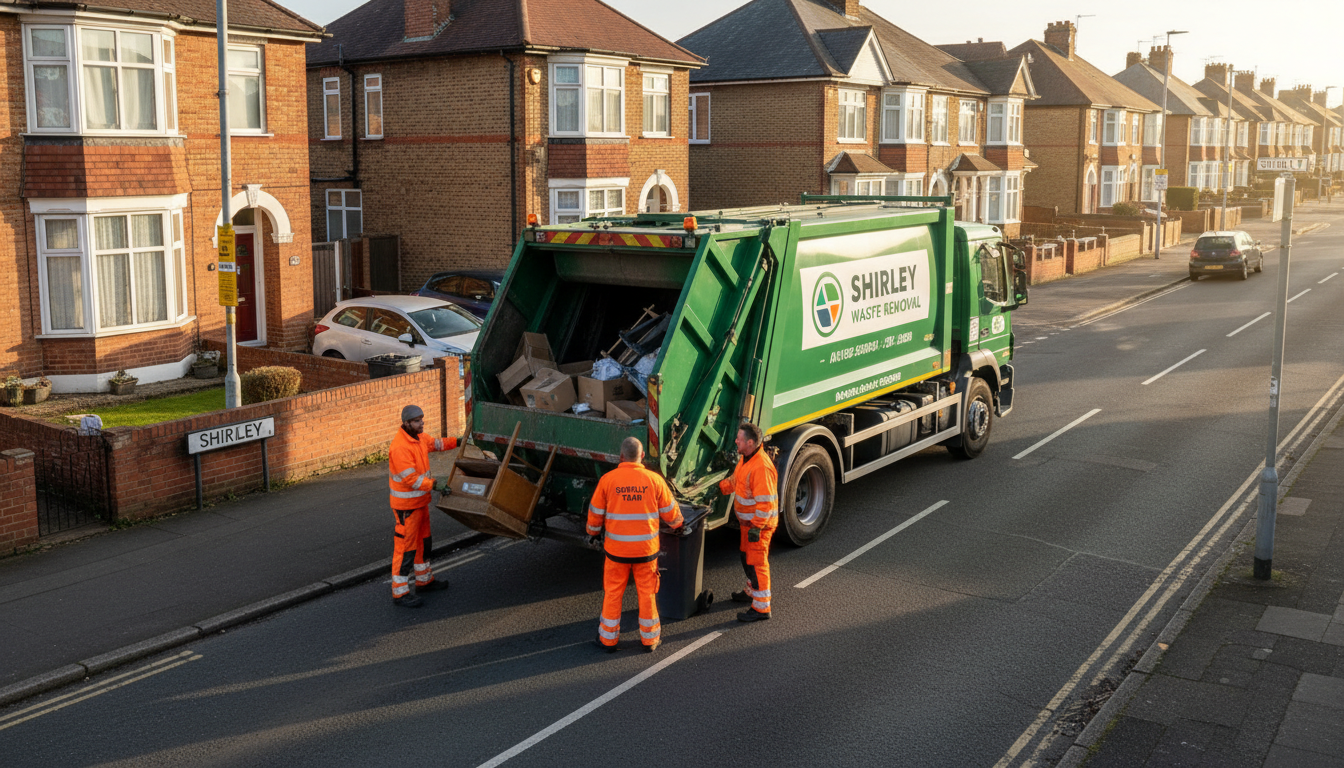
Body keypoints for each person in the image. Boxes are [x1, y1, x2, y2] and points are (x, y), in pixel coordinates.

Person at [587, 437, 683, 652]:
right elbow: (672, 515)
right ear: (642, 456)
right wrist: (679, 525)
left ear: (621, 456)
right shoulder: (655, 480)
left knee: (613, 593)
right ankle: (650, 640)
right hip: (646, 552)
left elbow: (595, 514)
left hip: (616, 552)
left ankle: (608, 640)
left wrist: (592, 533)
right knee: (647, 594)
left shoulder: (607, 480)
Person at [388, 404, 459, 607]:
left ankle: (424, 581)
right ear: (407, 423)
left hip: (420, 504)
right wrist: (435, 485)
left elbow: (437, 443)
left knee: (423, 544)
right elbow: (411, 479)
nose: (422, 423)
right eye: (418, 421)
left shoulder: (418, 438)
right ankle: (400, 593)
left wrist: (460, 441)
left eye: (422, 419)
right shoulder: (400, 447)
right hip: (406, 508)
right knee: (405, 550)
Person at [718, 422, 777, 622]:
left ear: (750, 443)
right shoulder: (746, 459)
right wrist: (720, 488)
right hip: (748, 525)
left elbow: (766, 504)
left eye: (739, 439)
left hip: (758, 526)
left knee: (757, 563)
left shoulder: (761, 467)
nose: (736, 441)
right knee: (746, 557)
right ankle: (752, 591)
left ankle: (762, 608)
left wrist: (757, 527)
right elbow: (737, 481)